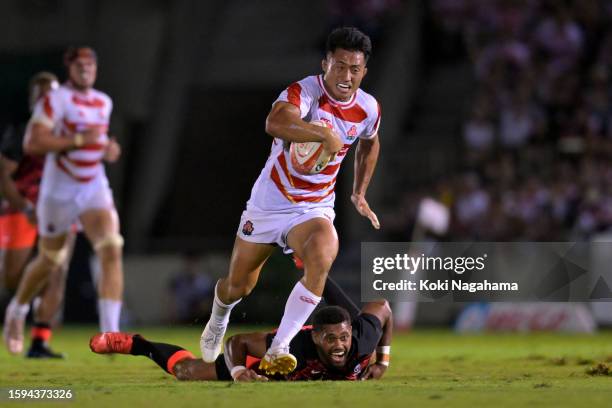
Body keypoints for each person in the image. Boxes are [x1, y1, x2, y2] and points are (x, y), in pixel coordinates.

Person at [200, 26, 382, 376]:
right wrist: (322, 134)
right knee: (239, 285)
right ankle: (218, 317)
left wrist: (359, 192)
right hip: (269, 204)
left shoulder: (369, 108)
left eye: (354, 69)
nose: (346, 76)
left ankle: (280, 346)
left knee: (324, 249)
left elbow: (371, 143)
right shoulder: (304, 92)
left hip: (312, 208)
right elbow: (275, 121)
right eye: (339, 66)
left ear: (364, 72)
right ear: (325, 63)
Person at [3, 46, 123, 355]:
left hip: (93, 184)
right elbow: (33, 142)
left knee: (111, 246)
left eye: (91, 64)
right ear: (69, 68)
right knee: (49, 261)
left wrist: (107, 150)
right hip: (56, 192)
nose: (86, 69)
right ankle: (16, 310)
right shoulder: (55, 101)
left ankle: (110, 335)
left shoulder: (104, 101)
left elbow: (96, 143)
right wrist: (79, 140)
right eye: (79, 64)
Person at [90, 297, 392, 382]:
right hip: (264, 366)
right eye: (329, 339)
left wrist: (384, 361)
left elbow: (384, 308)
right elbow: (237, 342)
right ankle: (137, 344)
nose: (339, 344)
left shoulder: (362, 340)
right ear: (314, 338)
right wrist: (239, 372)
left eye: (343, 337)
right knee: (186, 372)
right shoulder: (294, 346)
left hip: (289, 377)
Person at [0, 72, 75, 358]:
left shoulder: (69, 133)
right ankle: (19, 305)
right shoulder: (21, 132)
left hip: (59, 210)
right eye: (41, 94)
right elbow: (4, 177)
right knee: (12, 277)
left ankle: (39, 342)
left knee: (57, 273)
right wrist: (25, 206)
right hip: (22, 210)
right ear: (33, 100)